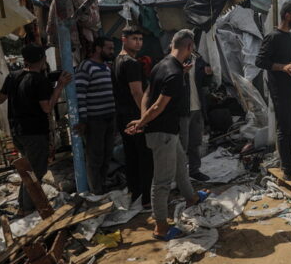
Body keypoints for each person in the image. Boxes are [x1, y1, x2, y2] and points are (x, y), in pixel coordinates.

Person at [126, 29, 199, 240]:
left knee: (180, 164)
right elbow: (158, 105)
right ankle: (160, 227)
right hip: (163, 133)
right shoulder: (174, 73)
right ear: (189, 47)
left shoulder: (163, 65)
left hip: (164, 131)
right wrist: (142, 122)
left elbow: (148, 94)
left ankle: (191, 198)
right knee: (162, 181)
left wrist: (142, 121)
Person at [0, 44, 71, 215]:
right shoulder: (39, 80)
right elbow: (47, 107)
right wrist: (60, 86)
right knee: (35, 171)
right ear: (42, 59)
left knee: (28, 169)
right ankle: (28, 208)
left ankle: (24, 205)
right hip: (34, 133)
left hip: (18, 132)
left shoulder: (13, 76)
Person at [256, 1, 291, 180]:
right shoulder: (273, 37)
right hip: (280, 90)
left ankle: (288, 160)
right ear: (287, 16)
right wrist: (282, 67)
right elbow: (260, 61)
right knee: (284, 128)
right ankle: (287, 169)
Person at [113, 25, 154, 208]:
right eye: (134, 39)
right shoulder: (130, 63)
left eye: (140, 39)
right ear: (124, 39)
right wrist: (145, 117)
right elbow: (137, 93)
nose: (138, 42)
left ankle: (135, 193)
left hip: (123, 116)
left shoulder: (118, 60)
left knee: (132, 158)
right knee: (144, 158)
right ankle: (146, 198)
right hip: (134, 116)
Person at [75, 37, 116, 195]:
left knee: (107, 154)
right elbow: (80, 94)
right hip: (95, 120)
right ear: (98, 48)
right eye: (109, 48)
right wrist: (84, 120)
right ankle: (96, 189)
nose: (111, 52)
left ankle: (102, 184)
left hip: (109, 117)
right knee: (95, 156)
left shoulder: (106, 67)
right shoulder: (86, 66)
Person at [179, 51, 212, 182]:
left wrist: (208, 73)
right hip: (183, 110)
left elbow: (205, 82)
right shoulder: (174, 60)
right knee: (182, 145)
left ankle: (194, 170)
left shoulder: (198, 60)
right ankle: (180, 175)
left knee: (195, 142)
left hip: (197, 107)